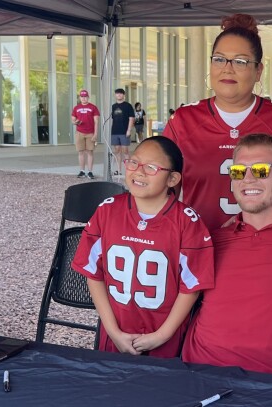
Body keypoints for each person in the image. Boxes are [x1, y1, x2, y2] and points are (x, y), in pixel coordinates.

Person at [182, 134, 272, 380]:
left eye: (261, 170)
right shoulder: (210, 241)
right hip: (200, 379)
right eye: (238, 171)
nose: (248, 178)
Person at [162, 13, 272, 231]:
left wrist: (270, 226)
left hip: (263, 249)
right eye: (219, 59)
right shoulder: (183, 120)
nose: (227, 68)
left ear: (258, 71)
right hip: (199, 246)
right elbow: (166, 195)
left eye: (240, 61)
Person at [72, 137, 215, 358]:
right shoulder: (107, 211)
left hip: (166, 340)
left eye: (151, 167)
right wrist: (113, 331)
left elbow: (191, 286)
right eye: (134, 163)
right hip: (114, 333)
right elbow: (94, 273)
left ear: (173, 178)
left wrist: (161, 335)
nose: (139, 172)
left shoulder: (187, 222)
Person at [72, 89, 100, 179]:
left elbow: (96, 121)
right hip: (80, 132)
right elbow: (73, 119)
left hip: (90, 133)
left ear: (88, 97)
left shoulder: (93, 107)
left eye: (85, 97)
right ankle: (82, 171)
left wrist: (95, 134)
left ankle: (90, 171)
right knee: (80, 152)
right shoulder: (76, 108)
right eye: (82, 97)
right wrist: (76, 122)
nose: (83, 98)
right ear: (80, 98)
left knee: (90, 152)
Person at [110, 88, 136, 176]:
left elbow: (131, 118)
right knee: (117, 151)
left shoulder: (128, 106)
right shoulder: (113, 106)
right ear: (115, 95)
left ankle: (128, 170)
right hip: (115, 131)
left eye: (120, 94)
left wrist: (129, 130)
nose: (119, 95)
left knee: (125, 151)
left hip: (124, 131)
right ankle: (119, 170)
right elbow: (113, 119)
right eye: (117, 94)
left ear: (123, 95)